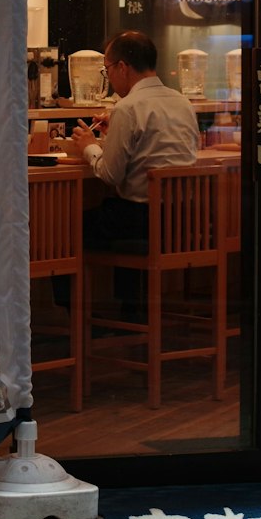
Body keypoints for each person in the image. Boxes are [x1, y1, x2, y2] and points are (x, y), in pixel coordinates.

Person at [58, 30, 199, 312]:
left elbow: (110, 175)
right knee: (116, 212)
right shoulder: (183, 102)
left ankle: (72, 318)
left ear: (122, 67)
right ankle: (132, 314)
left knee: (61, 229)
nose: (108, 76)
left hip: (141, 220)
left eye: (107, 69)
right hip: (184, 218)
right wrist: (111, 137)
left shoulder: (128, 106)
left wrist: (89, 146)